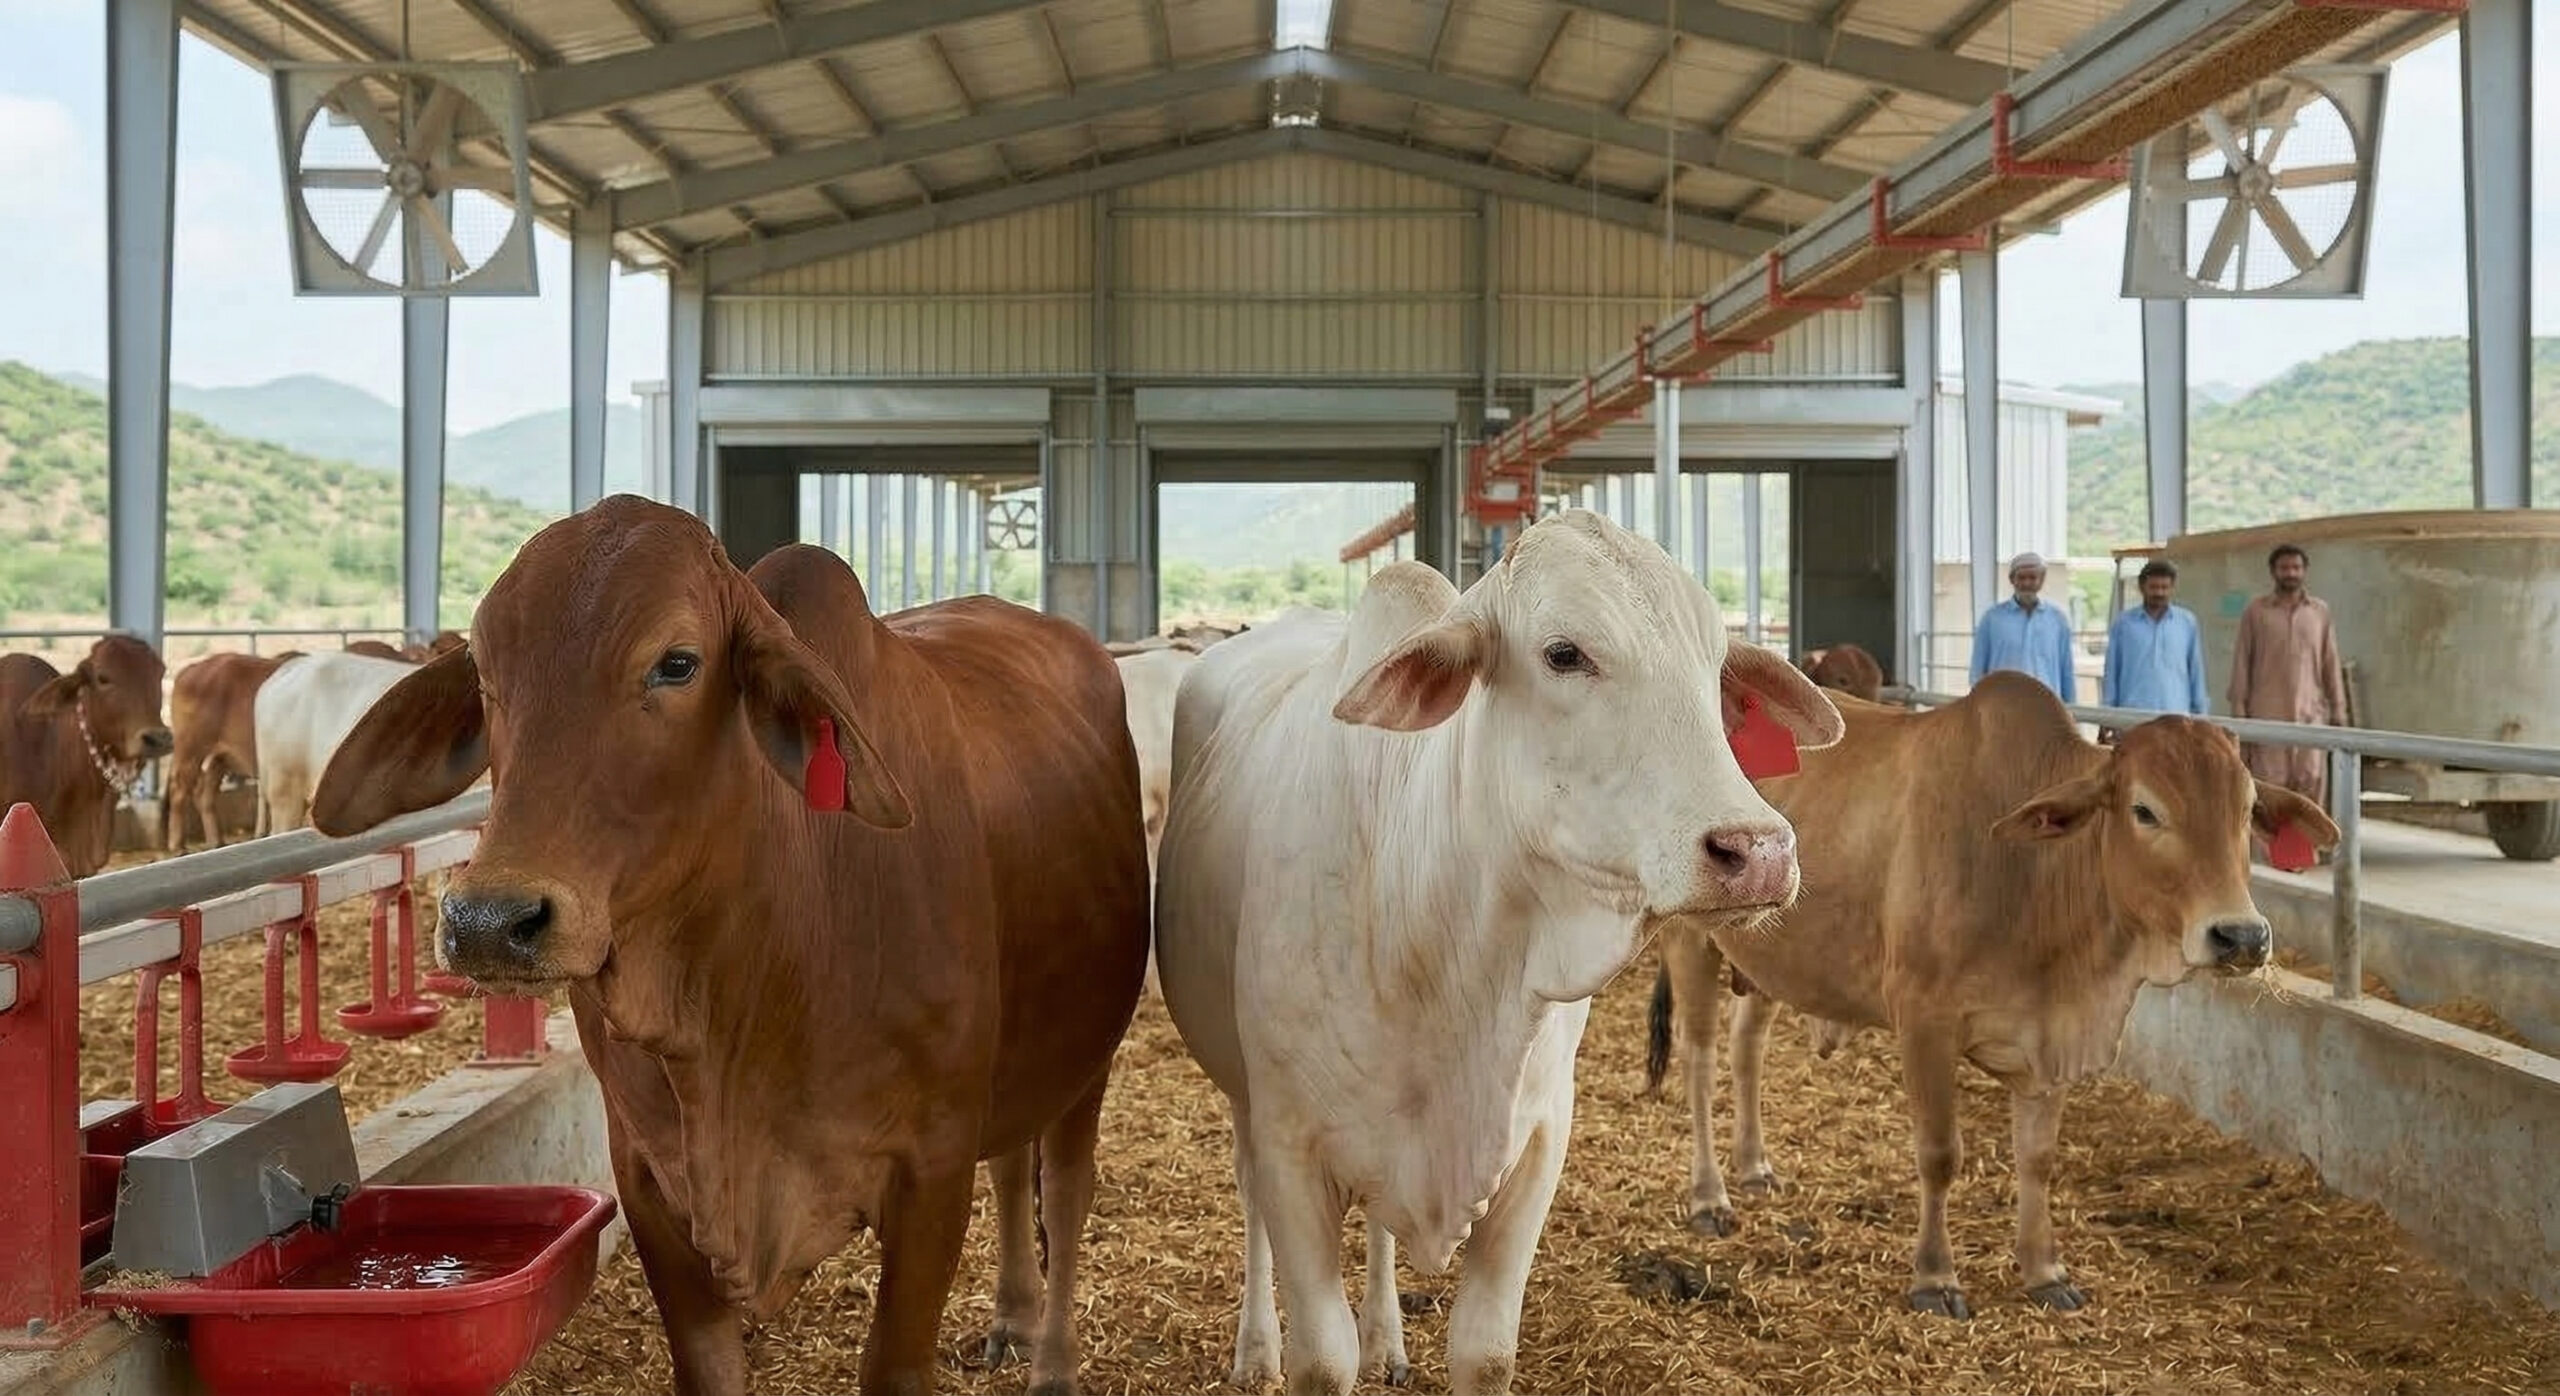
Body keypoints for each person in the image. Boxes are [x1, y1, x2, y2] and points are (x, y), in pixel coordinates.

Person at [2229, 542, 2348, 805]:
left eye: (2296, 567)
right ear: (2273, 571)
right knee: (2269, 790)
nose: (2290, 573)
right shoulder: (2257, 611)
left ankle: (2308, 848)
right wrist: (2239, 713)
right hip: (2267, 716)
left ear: (2305, 571)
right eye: (2284, 568)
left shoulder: (2319, 612)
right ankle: (2267, 848)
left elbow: (2330, 661)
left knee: (2311, 787)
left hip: (2310, 716)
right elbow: (2241, 662)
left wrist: (2339, 709)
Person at [2101, 558, 2209, 715]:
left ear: (2172, 588)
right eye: (2153, 587)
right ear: (2142, 587)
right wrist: (2108, 714)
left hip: (2176, 716)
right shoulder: (2124, 624)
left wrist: (2201, 714)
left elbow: (2196, 672)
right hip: (2133, 717)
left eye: (2164, 587)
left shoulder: (2186, 622)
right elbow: (2111, 672)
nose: (2159, 593)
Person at [1969, 551, 2078, 701]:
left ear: (2042, 580)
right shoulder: (1992, 619)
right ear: (2011, 579)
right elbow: (1977, 669)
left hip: (2046, 708)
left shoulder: (2057, 620)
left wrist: (2071, 710)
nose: (2027, 583)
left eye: (2032, 577)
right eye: (2021, 577)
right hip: (2002, 707)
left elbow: (2067, 671)